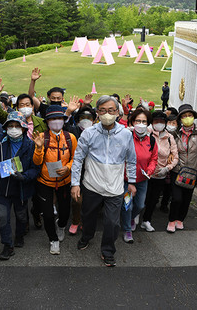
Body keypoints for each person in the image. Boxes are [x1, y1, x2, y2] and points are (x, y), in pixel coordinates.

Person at [71, 95, 137, 267]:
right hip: (91, 186)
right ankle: (86, 237)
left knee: (112, 223)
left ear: (117, 112)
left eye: (111, 110)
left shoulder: (125, 135)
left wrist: (131, 182)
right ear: (97, 113)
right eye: (102, 111)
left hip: (114, 189)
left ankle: (108, 251)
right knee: (88, 217)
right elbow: (78, 159)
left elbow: (131, 159)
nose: (107, 114)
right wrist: (75, 184)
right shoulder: (89, 133)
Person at [0, 110, 39, 261]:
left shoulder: (31, 146)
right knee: (3, 217)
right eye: (10, 126)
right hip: (1, 188)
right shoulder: (1, 140)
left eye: (17, 126)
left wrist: (24, 177)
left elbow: (36, 169)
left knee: (21, 216)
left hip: (21, 189)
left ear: (23, 128)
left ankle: (19, 235)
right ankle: (7, 245)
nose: (13, 129)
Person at [0, 77, 47, 229]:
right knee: (18, 204)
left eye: (28, 104)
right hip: (11, 169)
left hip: (32, 162)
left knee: (33, 198)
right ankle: (22, 229)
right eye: (21, 105)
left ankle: (34, 215)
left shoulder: (41, 123)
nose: (25, 107)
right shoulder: (8, 128)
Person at [32, 105, 77, 255]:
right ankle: (53, 240)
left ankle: (62, 226)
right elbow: (37, 162)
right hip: (45, 182)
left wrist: (68, 168)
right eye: (52, 119)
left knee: (64, 212)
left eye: (59, 118)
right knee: (48, 214)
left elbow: (75, 158)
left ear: (64, 121)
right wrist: (38, 148)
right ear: (47, 121)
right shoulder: (42, 138)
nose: (56, 122)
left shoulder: (70, 138)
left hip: (64, 181)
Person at [167, 104, 197, 233]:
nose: (187, 118)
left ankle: (180, 219)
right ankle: (172, 220)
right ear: (180, 119)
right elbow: (167, 145)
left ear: (193, 117)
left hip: (192, 172)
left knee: (186, 198)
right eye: (184, 116)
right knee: (177, 198)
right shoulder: (175, 132)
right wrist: (170, 155)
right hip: (177, 170)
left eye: (189, 115)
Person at [121, 108, 157, 243]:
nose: (141, 124)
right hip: (126, 180)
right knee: (127, 205)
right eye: (138, 121)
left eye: (144, 121)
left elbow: (154, 158)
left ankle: (130, 218)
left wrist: (150, 170)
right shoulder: (127, 137)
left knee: (140, 205)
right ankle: (127, 230)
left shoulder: (151, 140)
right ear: (133, 122)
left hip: (142, 180)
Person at [141, 111, 178, 232]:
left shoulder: (169, 138)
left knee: (153, 200)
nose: (159, 124)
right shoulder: (147, 133)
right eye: (156, 122)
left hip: (159, 175)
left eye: (161, 122)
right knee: (142, 200)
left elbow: (175, 157)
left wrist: (167, 168)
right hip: (145, 174)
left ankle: (147, 220)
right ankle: (134, 217)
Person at [65, 105, 96, 235]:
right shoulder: (73, 131)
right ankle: (76, 221)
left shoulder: (97, 132)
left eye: (89, 118)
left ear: (94, 120)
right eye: (83, 117)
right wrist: (68, 112)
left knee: (90, 200)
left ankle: (85, 221)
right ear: (77, 120)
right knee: (76, 199)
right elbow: (64, 126)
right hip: (77, 169)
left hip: (93, 170)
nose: (86, 120)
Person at [160, 113, 179, 213]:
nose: (171, 125)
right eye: (170, 122)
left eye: (174, 123)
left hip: (171, 165)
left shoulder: (178, 135)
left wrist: (172, 154)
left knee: (168, 186)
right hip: (162, 163)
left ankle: (164, 203)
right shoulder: (163, 133)